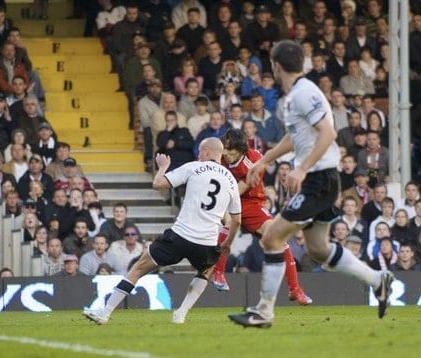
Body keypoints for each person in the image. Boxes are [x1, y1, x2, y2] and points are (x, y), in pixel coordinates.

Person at [228, 40, 393, 329]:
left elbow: (327, 133)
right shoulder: (296, 96)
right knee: (318, 249)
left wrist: (302, 169)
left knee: (271, 238)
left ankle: (264, 312)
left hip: (318, 179)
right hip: (320, 179)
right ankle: (378, 280)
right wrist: (263, 160)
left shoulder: (303, 94)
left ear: (276, 67)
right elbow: (295, 138)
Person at [84, 137, 242, 325]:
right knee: (205, 272)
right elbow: (236, 220)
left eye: (200, 151)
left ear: (207, 151)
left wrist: (162, 166)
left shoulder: (193, 167)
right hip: (206, 242)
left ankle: (105, 312)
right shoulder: (231, 181)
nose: (198, 155)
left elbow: (158, 184)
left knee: (139, 268)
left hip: (180, 235)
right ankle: (181, 314)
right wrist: (227, 243)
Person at [211, 129, 312, 305]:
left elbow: (238, 191)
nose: (226, 154)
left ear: (241, 149)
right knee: (228, 225)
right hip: (224, 199)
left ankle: (295, 289)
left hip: (250, 203)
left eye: (230, 150)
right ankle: (218, 273)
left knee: (279, 238)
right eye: (224, 149)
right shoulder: (218, 156)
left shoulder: (255, 160)